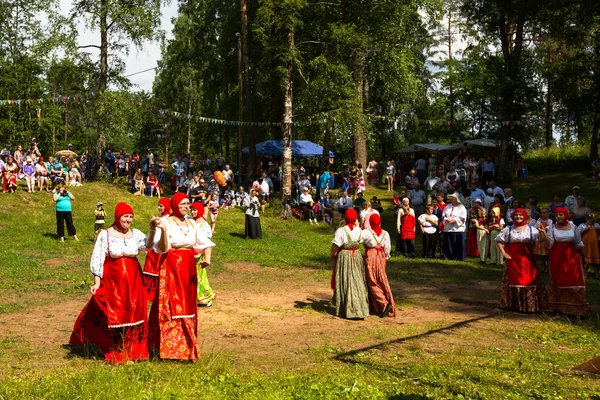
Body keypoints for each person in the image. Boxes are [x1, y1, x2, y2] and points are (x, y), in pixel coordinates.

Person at [70, 203, 149, 364]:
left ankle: (131, 349)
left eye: (130, 216)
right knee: (116, 313)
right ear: (117, 216)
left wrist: (155, 229)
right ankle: (114, 347)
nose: (128, 219)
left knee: (132, 312)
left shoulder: (136, 234)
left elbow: (148, 246)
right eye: (125, 216)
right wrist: (97, 282)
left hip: (133, 280)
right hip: (114, 282)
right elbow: (98, 257)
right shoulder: (105, 235)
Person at [148, 193, 215, 361]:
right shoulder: (166, 222)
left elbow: (205, 242)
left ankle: (187, 346)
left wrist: (207, 258)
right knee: (171, 303)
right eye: (182, 204)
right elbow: (162, 249)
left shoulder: (192, 223)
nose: (186, 206)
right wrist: (163, 231)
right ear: (175, 205)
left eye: (188, 204)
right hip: (170, 264)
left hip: (188, 266)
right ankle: (168, 349)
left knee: (187, 303)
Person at [495, 208, 548, 313]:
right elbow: (499, 240)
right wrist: (504, 253)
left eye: (520, 215)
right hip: (513, 259)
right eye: (516, 215)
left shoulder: (530, 229)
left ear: (524, 216)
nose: (518, 217)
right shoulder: (508, 229)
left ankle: (529, 306)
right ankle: (513, 304)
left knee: (528, 280)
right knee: (514, 280)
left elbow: (541, 241)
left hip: (528, 260)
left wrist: (542, 231)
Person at [544, 207, 591, 315]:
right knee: (559, 280)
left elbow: (578, 243)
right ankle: (559, 306)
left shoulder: (573, 227)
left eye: (561, 215)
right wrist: (543, 233)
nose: (558, 217)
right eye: (556, 215)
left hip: (572, 258)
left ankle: (577, 307)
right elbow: (550, 244)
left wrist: (584, 257)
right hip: (558, 258)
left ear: (566, 215)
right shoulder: (552, 228)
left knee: (573, 279)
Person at [330, 209, 369, 319]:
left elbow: (335, 245)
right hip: (356, 255)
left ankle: (347, 308)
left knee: (346, 279)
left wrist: (332, 254)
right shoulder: (359, 230)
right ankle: (361, 308)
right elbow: (361, 241)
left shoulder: (341, 231)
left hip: (345, 256)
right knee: (357, 280)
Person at [363, 214, 395, 318]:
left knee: (372, 281)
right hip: (381, 256)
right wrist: (384, 256)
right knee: (381, 280)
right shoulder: (385, 234)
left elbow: (359, 240)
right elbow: (387, 249)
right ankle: (378, 307)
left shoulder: (367, 233)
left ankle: (384, 303)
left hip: (371, 256)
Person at [142, 198, 171, 302]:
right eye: (158, 205)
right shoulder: (157, 218)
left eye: (161, 206)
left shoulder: (169, 219)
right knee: (151, 268)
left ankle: (160, 291)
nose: (159, 208)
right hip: (154, 247)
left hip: (163, 246)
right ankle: (150, 291)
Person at [190, 202, 216, 307]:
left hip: (198, 253)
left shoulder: (204, 225)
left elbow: (206, 242)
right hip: (189, 252)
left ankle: (205, 296)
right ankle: (191, 297)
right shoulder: (190, 221)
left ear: (200, 210)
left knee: (199, 276)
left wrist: (205, 256)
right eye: (191, 209)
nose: (193, 212)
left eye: (195, 210)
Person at [442, 193, 467, 260]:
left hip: (458, 228)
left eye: (454, 198)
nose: (452, 200)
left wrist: (455, 220)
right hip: (448, 227)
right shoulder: (447, 206)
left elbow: (463, 217)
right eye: (452, 198)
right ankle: (448, 256)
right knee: (449, 242)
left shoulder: (462, 207)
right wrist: (446, 219)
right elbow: (444, 215)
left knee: (458, 243)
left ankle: (459, 257)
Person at [578, 213, 600, 279]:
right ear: (587, 219)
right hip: (585, 245)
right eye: (591, 220)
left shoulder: (597, 226)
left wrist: (598, 230)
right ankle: (585, 273)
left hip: (594, 245)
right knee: (585, 259)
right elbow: (578, 234)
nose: (593, 222)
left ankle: (596, 273)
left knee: (596, 260)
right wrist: (584, 230)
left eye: (594, 220)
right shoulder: (582, 226)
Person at [533, 208, 552, 272]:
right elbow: (535, 226)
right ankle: (543, 266)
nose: (543, 214)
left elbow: (548, 228)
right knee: (542, 255)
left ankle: (548, 267)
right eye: (542, 213)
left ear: (548, 213)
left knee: (547, 255)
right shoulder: (539, 219)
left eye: (545, 213)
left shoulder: (550, 221)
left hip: (546, 238)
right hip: (540, 238)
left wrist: (541, 227)